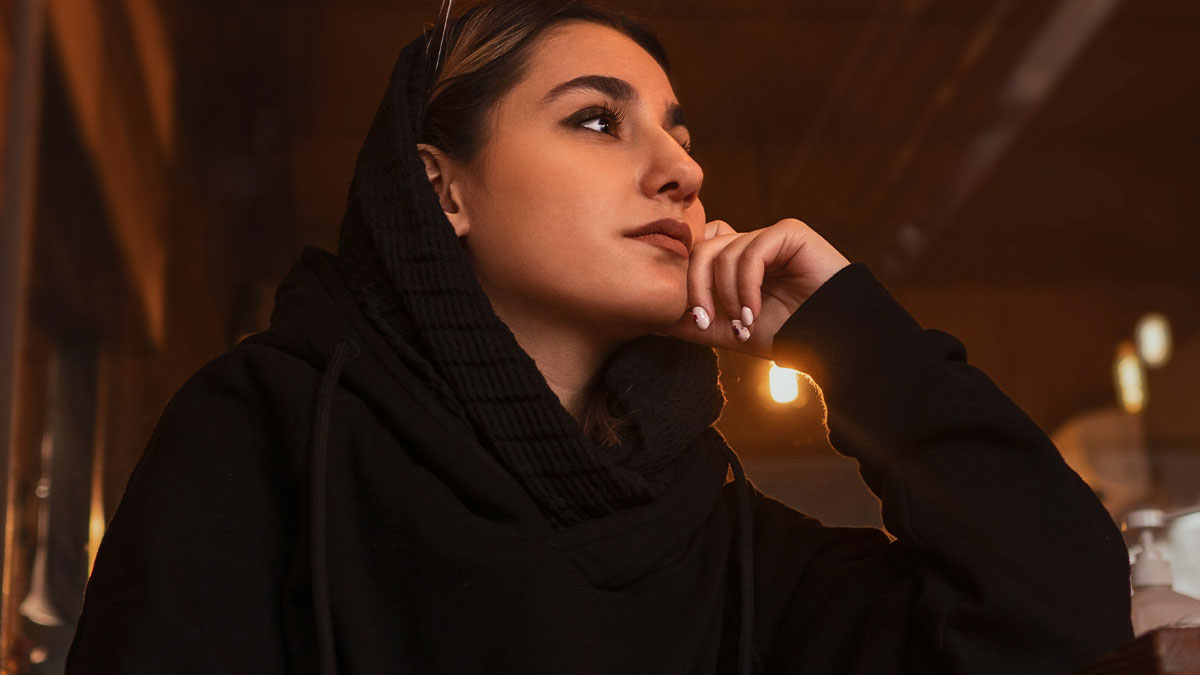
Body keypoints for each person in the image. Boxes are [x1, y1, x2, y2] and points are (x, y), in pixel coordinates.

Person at [65, 1, 1134, 673]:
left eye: (677, 130)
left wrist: (855, 341)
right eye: (595, 118)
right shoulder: (268, 429)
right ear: (442, 188)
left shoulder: (721, 541)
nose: (682, 170)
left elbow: (1059, 621)